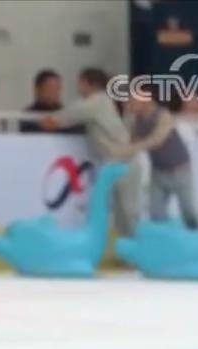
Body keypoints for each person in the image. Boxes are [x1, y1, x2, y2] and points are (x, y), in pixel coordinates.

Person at [41, 67, 140, 239]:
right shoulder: (105, 102)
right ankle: (129, 249)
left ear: (87, 84)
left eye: (80, 83)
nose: (78, 88)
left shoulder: (94, 103)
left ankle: (142, 248)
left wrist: (44, 121)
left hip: (123, 163)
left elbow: (57, 120)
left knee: (128, 213)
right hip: (122, 162)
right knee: (123, 214)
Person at [127, 92, 198, 228]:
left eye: (133, 100)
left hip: (179, 170)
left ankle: (197, 235)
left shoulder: (163, 116)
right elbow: (131, 140)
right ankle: (162, 237)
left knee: (188, 209)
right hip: (158, 172)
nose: (130, 104)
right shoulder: (136, 120)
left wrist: (132, 147)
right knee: (156, 213)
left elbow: (157, 140)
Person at [19, 69, 82, 134]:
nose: (54, 93)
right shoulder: (28, 115)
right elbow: (29, 132)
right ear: (37, 89)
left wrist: (58, 125)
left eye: (57, 88)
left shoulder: (66, 114)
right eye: (50, 88)